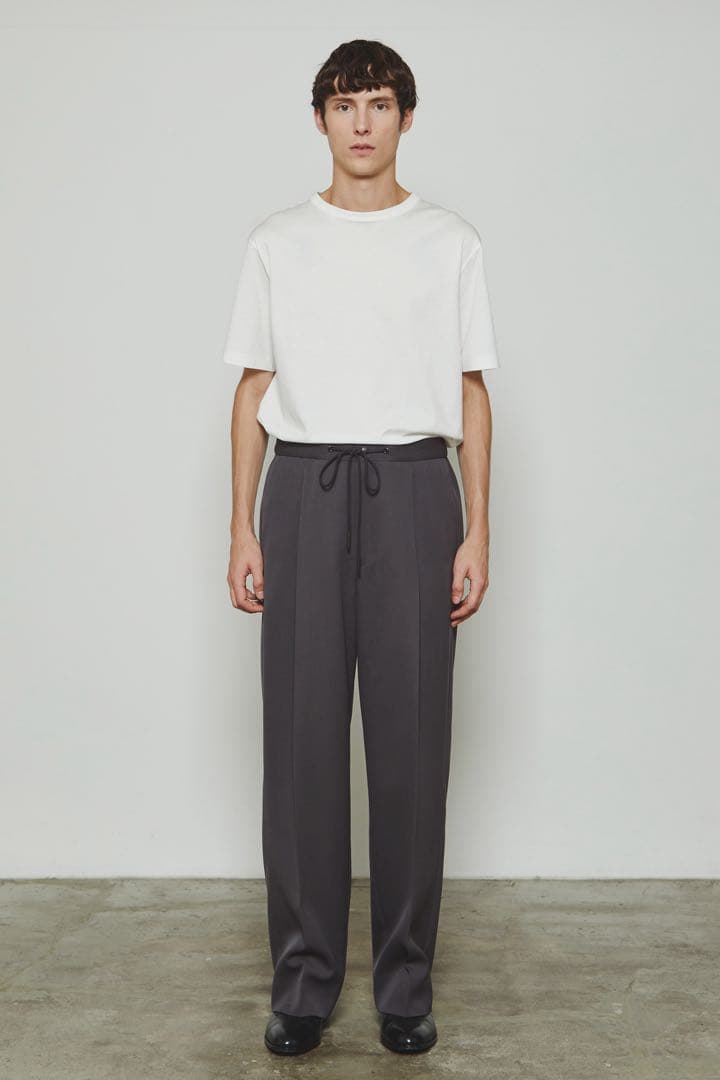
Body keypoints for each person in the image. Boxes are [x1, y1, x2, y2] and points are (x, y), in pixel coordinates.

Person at [222, 38, 499, 1057]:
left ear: (406, 117)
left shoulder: (450, 242)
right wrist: (243, 523)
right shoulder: (278, 241)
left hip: (416, 490)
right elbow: (252, 389)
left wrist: (477, 528)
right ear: (320, 120)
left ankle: (404, 985)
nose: (362, 123)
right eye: (344, 105)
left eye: (379, 103)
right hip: (304, 488)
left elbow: (472, 390)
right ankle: (303, 983)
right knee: (301, 744)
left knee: (411, 745)